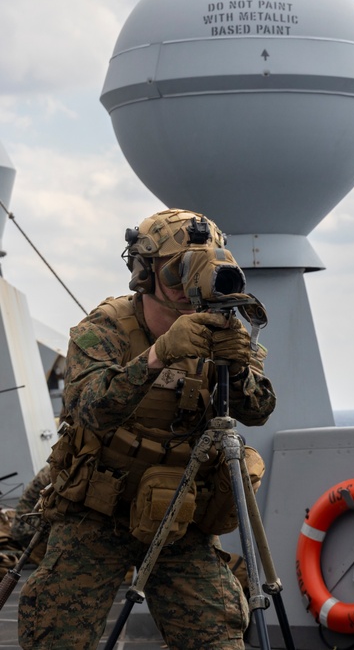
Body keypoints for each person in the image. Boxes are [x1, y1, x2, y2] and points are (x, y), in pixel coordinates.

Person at [18, 208, 276, 649]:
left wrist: (236, 368)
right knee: (56, 635)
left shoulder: (219, 332)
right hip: (96, 513)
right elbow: (88, 410)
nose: (187, 286)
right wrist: (158, 356)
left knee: (217, 636)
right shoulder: (105, 328)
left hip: (177, 515)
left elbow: (259, 410)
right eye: (177, 272)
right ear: (145, 273)